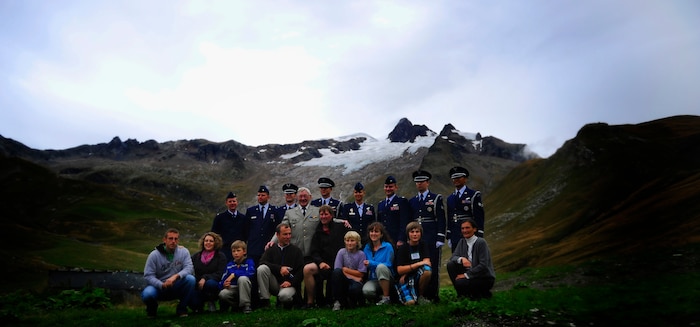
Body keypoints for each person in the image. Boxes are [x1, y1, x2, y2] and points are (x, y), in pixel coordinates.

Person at [407, 170, 446, 302]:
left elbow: (441, 219)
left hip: (431, 237)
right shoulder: (412, 201)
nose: (419, 184)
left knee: (433, 266)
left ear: (427, 182)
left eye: (422, 181)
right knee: (418, 265)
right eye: (417, 182)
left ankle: (433, 294)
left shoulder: (435, 199)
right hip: (417, 239)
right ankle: (419, 293)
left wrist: (440, 237)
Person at [141, 228, 196, 318]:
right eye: (170, 238)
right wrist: (161, 284)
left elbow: (189, 268)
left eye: (176, 239)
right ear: (164, 240)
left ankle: (182, 309)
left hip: (176, 285)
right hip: (158, 288)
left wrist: (176, 276)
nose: (173, 241)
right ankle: (152, 309)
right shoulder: (154, 255)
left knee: (191, 279)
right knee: (148, 294)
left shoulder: (184, 252)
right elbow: (148, 275)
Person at [302, 205, 349, 309]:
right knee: (307, 269)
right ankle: (310, 302)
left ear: (331, 215)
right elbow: (314, 252)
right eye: (321, 214)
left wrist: (344, 222)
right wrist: (320, 262)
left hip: (338, 262)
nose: (323, 216)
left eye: (326, 214)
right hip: (322, 263)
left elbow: (350, 239)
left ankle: (334, 300)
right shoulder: (317, 232)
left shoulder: (340, 228)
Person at [257, 222, 305, 308]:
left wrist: (290, 282)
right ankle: (265, 300)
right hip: (275, 283)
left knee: (284, 296)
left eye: (289, 234)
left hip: (290, 284)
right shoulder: (271, 249)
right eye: (285, 234)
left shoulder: (296, 251)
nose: (288, 237)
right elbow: (262, 262)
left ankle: (289, 302)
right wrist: (279, 268)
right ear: (277, 235)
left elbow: (300, 271)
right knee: (262, 269)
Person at [446, 219, 495, 300]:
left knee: (460, 282)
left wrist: (466, 275)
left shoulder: (481, 242)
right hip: (470, 274)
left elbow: (483, 265)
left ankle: (480, 294)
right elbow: (453, 257)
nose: (465, 230)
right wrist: (462, 259)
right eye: (463, 228)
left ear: (474, 229)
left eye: (467, 228)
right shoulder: (462, 241)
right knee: (450, 265)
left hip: (484, 277)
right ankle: (462, 295)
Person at [267, 187, 320, 257]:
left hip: (313, 251)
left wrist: (339, 221)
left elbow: (328, 220)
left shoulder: (317, 211)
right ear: (297, 198)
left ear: (310, 197)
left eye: (305, 196)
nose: (303, 198)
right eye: (300, 196)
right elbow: (282, 228)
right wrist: (272, 242)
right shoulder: (289, 213)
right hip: (295, 252)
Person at [446, 166, 485, 252]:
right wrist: (449, 235)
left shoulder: (473, 195)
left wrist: (479, 234)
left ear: (465, 179)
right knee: (457, 260)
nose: (456, 180)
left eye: (459, 177)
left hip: (470, 233)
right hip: (455, 234)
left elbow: (479, 216)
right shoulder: (450, 198)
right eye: (454, 178)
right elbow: (450, 217)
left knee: (471, 259)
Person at [394, 222, 432, 306]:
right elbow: (400, 270)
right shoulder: (403, 248)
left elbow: (427, 263)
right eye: (412, 232)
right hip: (404, 279)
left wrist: (408, 269)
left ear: (421, 233)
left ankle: (420, 296)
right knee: (410, 303)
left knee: (427, 270)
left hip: (415, 275)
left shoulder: (423, 244)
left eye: (417, 232)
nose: (415, 234)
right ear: (408, 234)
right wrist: (419, 263)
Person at [190, 232, 227, 313]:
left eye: (211, 241)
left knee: (210, 283)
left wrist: (205, 278)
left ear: (215, 243)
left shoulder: (220, 256)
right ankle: (198, 305)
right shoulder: (196, 256)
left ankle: (211, 301)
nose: (208, 243)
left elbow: (220, 273)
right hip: (198, 284)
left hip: (213, 284)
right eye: (206, 241)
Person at [331, 231, 367, 311]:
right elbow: (338, 270)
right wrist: (353, 276)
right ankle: (338, 302)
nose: (349, 243)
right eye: (347, 241)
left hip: (355, 282)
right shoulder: (341, 252)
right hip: (344, 279)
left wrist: (346, 269)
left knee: (355, 289)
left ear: (357, 242)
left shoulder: (361, 254)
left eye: (352, 241)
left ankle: (351, 302)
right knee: (336, 274)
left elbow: (361, 274)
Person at [219, 240, 256, 313]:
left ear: (244, 251)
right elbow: (223, 278)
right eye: (233, 251)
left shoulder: (249, 262)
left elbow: (250, 273)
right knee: (223, 294)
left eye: (238, 250)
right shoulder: (230, 265)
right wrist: (224, 284)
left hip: (246, 288)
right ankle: (236, 306)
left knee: (242, 278)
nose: (236, 253)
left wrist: (234, 274)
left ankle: (246, 305)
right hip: (233, 288)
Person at [362, 222, 395, 305]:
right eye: (371, 231)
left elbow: (389, 264)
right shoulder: (367, 248)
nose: (374, 234)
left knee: (381, 267)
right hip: (373, 279)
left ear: (381, 234)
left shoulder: (388, 246)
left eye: (376, 231)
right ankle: (378, 298)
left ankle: (386, 297)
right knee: (367, 291)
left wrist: (372, 263)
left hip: (387, 277)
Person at [212, 192, 249, 262]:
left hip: (239, 251)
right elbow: (214, 235)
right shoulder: (219, 218)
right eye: (230, 201)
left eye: (234, 201)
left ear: (237, 202)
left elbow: (246, 235)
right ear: (226, 203)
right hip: (224, 250)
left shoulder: (243, 218)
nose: (232, 203)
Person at [247, 185, 280, 265]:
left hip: (268, 247)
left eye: (263, 195)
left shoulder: (274, 210)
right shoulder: (251, 211)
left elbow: (277, 228)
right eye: (259, 195)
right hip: (254, 247)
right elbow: (246, 229)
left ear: (268, 197)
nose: (260, 197)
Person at [377, 175, 410, 246]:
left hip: (397, 239)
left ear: (396, 187)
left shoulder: (401, 202)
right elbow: (379, 223)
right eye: (386, 187)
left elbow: (404, 222)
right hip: (384, 240)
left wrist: (401, 239)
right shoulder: (381, 204)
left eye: (391, 187)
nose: (388, 189)